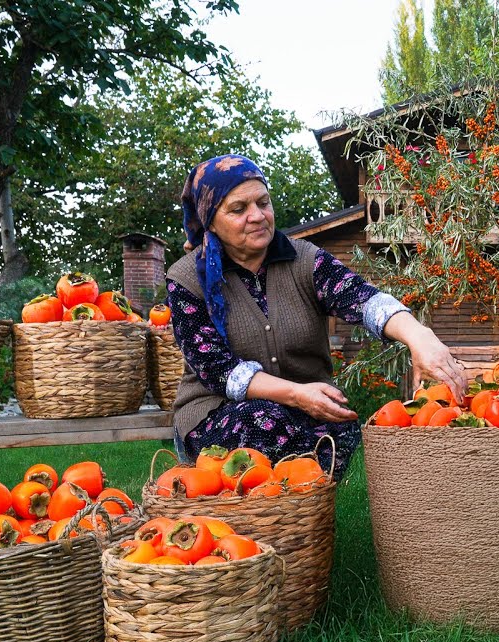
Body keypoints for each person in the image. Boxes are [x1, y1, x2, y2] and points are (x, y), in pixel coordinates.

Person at [166, 154, 465, 472]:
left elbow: (362, 299)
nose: (257, 216)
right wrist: (294, 394)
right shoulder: (186, 279)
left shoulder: (305, 260)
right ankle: (258, 507)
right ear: (211, 219)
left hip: (305, 406)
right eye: (239, 209)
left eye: (263, 203)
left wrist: (419, 336)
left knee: (341, 426)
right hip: (218, 411)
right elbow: (219, 371)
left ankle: (302, 512)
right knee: (266, 421)